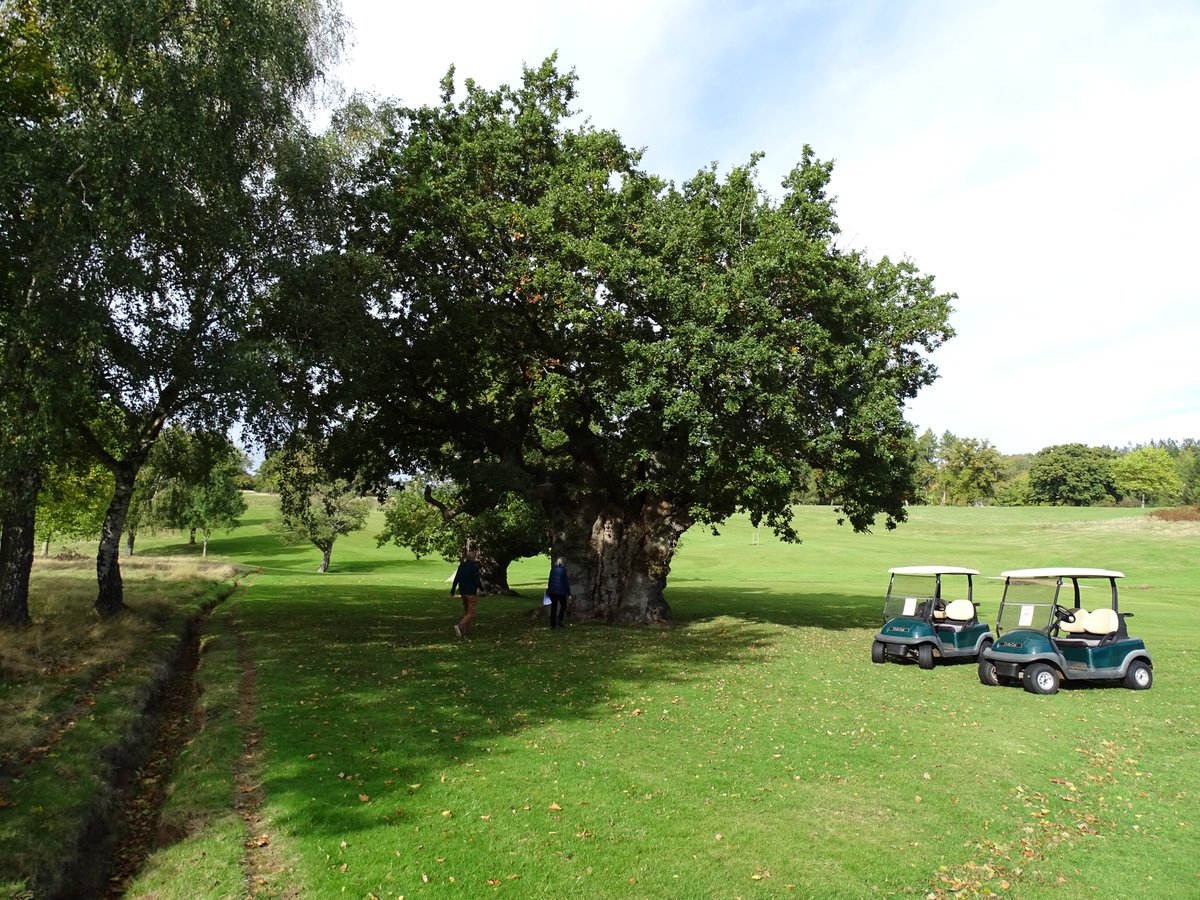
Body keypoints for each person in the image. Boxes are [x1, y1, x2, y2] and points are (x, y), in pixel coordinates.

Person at [450, 551, 482, 638]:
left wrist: (453, 590)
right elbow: (477, 580)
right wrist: (482, 589)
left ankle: (466, 630)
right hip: (471, 592)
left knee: (466, 611)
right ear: (473, 558)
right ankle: (460, 626)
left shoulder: (461, 566)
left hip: (463, 592)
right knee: (471, 612)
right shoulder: (474, 567)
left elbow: (456, 579)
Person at [546, 557, 570, 628]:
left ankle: (552, 624)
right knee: (564, 605)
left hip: (552, 591)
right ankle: (559, 619)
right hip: (561, 591)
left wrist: (549, 590)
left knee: (553, 608)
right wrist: (569, 593)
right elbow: (565, 582)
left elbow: (550, 580)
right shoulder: (563, 570)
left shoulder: (553, 569)